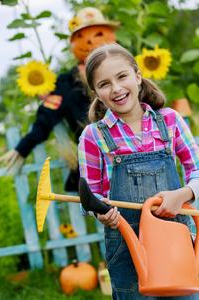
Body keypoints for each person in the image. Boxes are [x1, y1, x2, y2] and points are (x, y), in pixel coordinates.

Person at [78, 43, 199, 299]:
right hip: (126, 245)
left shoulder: (170, 121)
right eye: (105, 84)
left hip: (176, 241)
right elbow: (90, 197)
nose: (117, 88)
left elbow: (197, 170)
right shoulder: (94, 136)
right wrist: (102, 213)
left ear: (138, 76)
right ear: (96, 93)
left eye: (122, 76)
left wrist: (184, 194)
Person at [0, 7, 120, 192]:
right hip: (95, 159)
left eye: (99, 33)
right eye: (80, 36)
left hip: (132, 151)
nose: (90, 41)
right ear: (72, 43)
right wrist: (22, 147)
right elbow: (46, 117)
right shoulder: (65, 84)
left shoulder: (125, 71)